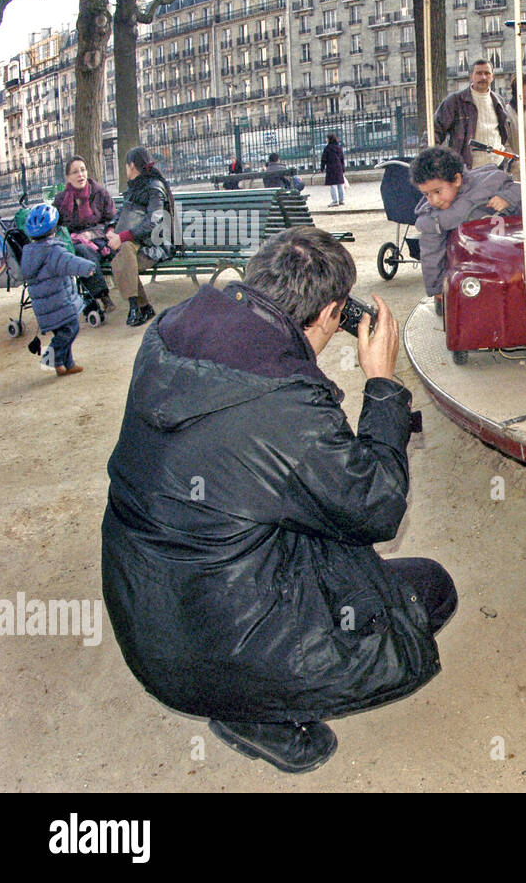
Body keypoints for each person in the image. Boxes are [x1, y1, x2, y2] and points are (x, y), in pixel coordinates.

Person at [101, 226, 456, 774]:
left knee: (315, 537)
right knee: (430, 590)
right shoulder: (284, 401)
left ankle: (246, 689)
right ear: (331, 311)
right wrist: (381, 383)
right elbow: (376, 506)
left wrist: (300, 347)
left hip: (143, 614)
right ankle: (255, 710)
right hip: (216, 649)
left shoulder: (172, 330)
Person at [411, 146, 521, 307]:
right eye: (427, 194)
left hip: (507, 254)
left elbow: (521, 190)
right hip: (470, 266)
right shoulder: (432, 219)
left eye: (437, 191)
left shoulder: (488, 181)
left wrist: (507, 198)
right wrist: (437, 287)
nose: (433, 200)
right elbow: (431, 254)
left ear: (457, 180)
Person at [19, 204, 96, 376]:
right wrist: (88, 267)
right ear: (54, 229)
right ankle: (50, 358)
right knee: (71, 329)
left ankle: (66, 365)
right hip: (60, 304)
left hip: (46, 308)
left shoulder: (29, 251)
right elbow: (71, 262)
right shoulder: (54, 251)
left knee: (62, 333)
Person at [106, 146, 175, 328]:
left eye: (126, 166)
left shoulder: (154, 188)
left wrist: (123, 236)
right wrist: (111, 228)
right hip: (136, 245)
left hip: (155, 245)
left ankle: (137, 306)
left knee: (123, 254)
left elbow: (155, 220)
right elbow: (122, 211)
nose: (125, 170)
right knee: (125, 253)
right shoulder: (134, 188)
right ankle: (140, 306)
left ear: (131, 166)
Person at [52, 154, 116, 313]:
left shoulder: (99, 192)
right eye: (75, 172)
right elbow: (56, 226)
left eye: (82, 170)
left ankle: (100, 296)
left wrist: (92, 235)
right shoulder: (61, 200)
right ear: (68, 177)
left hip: (98, 240)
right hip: (72, 243)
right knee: (76, 252)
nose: (80, 175)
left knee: (82, 253)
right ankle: (92, 299)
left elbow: (112, 220)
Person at [434, 59, 512, 169]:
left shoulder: (498, 101)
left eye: (487, 73)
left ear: (492, 77)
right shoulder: (455, 101)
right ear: (471, 76)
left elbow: (503, 133)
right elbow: (435, 131)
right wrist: (434, 161)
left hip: (497, 167)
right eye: (479, 73)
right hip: (469, 169)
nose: (483, 77)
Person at [321, 133, 346, 205]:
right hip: (339, 167)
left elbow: (324, 159)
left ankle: (335, 200)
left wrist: (322, 168)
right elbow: (342, 159)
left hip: (331, 167)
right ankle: (342, 200)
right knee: (340, 184)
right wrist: (343, 168)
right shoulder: (339, 147)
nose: (326, 140)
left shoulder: (327, 148)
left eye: (327, 138)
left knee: (333, 185)